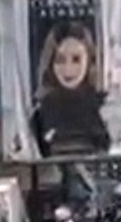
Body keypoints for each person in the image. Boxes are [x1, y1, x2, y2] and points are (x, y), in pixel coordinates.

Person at [31, 21, 111, 157]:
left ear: (90, 60)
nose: (68, 69)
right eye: (60, 60)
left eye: (76, 59)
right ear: (50, 63)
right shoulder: (43, 108)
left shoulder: (104, 105)